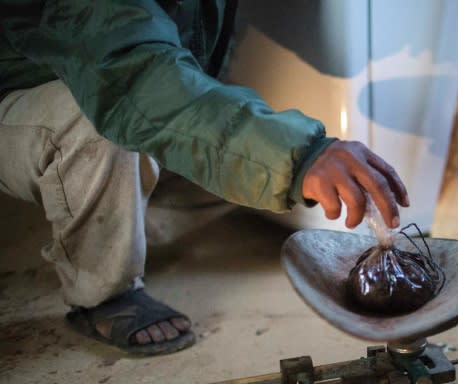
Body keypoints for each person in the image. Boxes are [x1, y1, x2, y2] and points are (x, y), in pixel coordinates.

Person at [0, 1, 409, 355]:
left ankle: (122, 222)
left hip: (96, 80)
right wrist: (301, 156)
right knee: (102, 129)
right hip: (23, 96)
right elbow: (134, 83)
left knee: (251, 163)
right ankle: (103, 296)